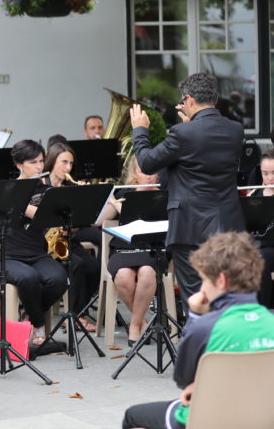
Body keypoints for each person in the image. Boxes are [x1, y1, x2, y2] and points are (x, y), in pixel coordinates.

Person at [122, 232, 274, 429]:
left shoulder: (205, 326)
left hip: (206, 419)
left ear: (220, 280)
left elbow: (182, 379)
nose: (201, 288)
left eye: (204, 279)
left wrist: (195, 316)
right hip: (261, 419)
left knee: (132, 416)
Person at [131, 72, 245, 308]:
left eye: (183, 101)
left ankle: (200, 343)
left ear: (189, 100)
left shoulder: (184, 133)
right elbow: (203, 151)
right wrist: (190, 127)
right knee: (226, 296)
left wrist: (140, 130)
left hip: (190, 227)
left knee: (196, 299)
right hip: (227, 224)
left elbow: (147, 162)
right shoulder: (235, 129)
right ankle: (227, 343)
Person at [0, 140, 68, 345]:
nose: (39, 166)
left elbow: (47, 217)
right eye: (33, 162)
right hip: (7, 257)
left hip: (36, 254)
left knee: (59, 278)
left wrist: (22, 206)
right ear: (19, 165)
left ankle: (28, 315)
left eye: (41, 161)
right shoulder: (6, 189)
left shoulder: (44, 189)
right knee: (28, 278)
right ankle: (38, 324)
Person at [98, 158, 159, 345]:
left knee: (147, 273)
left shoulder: (164, 195)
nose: (148, 177)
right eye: (143, 172)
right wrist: (106, 198)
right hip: (123, 250)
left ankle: (134, 325)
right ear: (135, 174)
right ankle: (142, 322)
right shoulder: (124, 193)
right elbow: (100, 221)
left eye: (152, 172)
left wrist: (120, 206)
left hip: (152, 248)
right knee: (123, 276)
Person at [43, 143, 101, 331]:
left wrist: (85, 198)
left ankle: (79, 312)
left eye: (71, 164)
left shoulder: (70, 186)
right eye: (64, 162)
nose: (68, 168)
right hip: (46, 241)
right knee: (76, 264)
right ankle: (74, 316)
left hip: (67, 239)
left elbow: (82, 222)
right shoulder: (41, 185)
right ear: (52, 161)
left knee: (94, 267)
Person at [246, 148, 274, 308]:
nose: (270, 178)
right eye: (265, 173)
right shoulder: (255, 195)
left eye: (273, 173)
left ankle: (261, 312)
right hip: (257, 248)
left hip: (269, 250)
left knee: (259, 259)